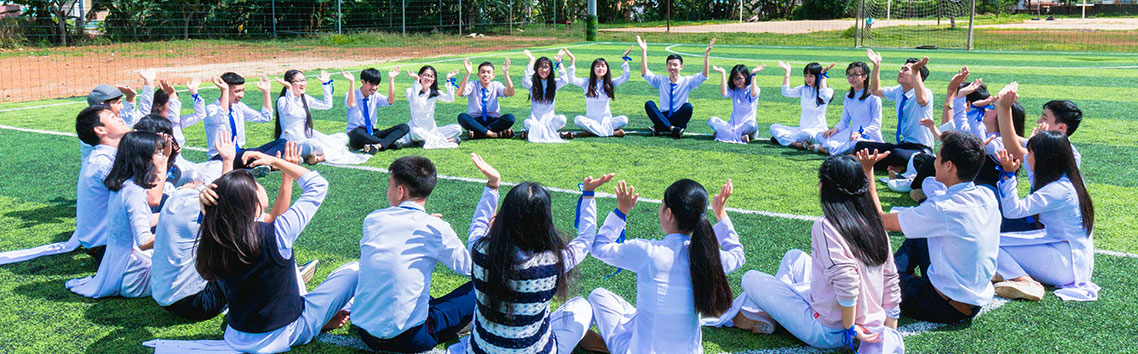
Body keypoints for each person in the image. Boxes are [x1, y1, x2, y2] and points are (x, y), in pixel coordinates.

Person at [733, 155, 904, 353]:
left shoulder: (825, 226)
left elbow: (847, 282)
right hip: (858, 320)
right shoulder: (875, 224)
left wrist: (850, 329)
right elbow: (890, 280)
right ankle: (772, 315)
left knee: (750, 278)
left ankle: (770, 315)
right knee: (794, 257)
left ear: (827, 187)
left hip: (828, 330)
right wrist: (890, 332)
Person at [447, 154, 611, 354]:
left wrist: (493, 184)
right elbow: (585, 239)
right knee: (582, 306)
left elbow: (479, 224)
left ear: (505, 215)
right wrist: (588, 195)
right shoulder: (554, 261)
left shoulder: (480, 251)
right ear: (544, 221)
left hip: (480, 351)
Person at [195, 152, 355, 353]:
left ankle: (316, 314)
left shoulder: (215, 234)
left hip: (236, 334)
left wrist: (205, 199)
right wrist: (277, 162)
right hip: (286, 333)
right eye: (256, 185)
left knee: (285, 260)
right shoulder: (278, 232)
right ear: (252, 203)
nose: (261, 186)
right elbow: (318, 185)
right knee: (355, 270)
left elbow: (219, 214)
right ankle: (335, 319)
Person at [586, 178, 744, 353]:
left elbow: (598, 247)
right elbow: (738, 254)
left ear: (669, 213)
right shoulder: (708, 258)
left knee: (598, 296)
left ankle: (606, 345)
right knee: (638, 316)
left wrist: (621, 211)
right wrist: (721, 213)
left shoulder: (648, 251)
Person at [857, 131, 1000, 324]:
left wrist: (868, 170)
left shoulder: (943, 209)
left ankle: (888, 277)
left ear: (949, 166)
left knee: (869, 281)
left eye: (938, 157)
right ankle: (894, 274)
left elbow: (880, 220)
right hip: (971, 298)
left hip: (944, 304)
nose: (933, 161)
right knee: (919, 234)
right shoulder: (987, 195)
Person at [354, 156, 474, 353]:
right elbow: (471, 269)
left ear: (400, 191)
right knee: (479, 286)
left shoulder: (373, 219)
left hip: (366, 333)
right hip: (411, 339)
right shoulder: (435, 228)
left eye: (389, 186)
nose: (387, 191)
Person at [0, 105, 129, 265]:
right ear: (100, 130)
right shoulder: (104, 163)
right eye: (112, 117)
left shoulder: (106, 157)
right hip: (112, 249)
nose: (120, 118)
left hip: (110, 243)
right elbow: (148, 200)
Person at [992, 131, 1098, 302]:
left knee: (990, 244)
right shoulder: (1068, 180)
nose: (1027, 157)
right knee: (997, 240)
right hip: (1071, 259)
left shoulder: (1057, 190)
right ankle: (1001, 272)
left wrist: (1009, 176)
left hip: (1064, 265)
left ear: (1044, 158)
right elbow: (1037, 177)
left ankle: (1024, 281)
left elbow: (1013, 210)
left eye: (1031, 153)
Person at [67, 131, 173, 299]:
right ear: (143, 158)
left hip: (119, 266)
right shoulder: (135, 193)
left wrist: (175, 214)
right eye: (159, 153)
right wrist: (176, 234)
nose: (162, 157)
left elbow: (144, 221)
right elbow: (144, 241)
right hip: (133, 276)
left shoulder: (125, 185)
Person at [853, 50, 935, 172]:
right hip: (904, 145)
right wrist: (876, 66)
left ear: (917, 76)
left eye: (906, 70)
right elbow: (875, 91)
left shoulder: (925, 93)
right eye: (901, 68)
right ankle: (895, 166)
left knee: (897, 154)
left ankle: (870, 162)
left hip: (921, 149)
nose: (900, 71)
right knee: (861, 145)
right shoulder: (899, 90)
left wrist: (916, 70)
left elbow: (922, 100)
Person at [204, 73, 290, 169]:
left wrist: (266, 92)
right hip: (221, 157)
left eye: (242, 90)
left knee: (283, 142)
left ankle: (265, 163)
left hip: (241, 153)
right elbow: (221, 117)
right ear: (225, 90)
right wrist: (224, 90)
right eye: (237, 91)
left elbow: (265, 117)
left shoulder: (238, 107)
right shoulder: (211, 109)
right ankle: (270, 162)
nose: (241, 95)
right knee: (251, 156)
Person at [637, 35, 714, 139]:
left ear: (681, 67)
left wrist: (707, 55)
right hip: (663, 115)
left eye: (675, 65)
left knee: (688, 107)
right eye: (669, 64)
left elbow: (704, 75)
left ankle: (660, 127)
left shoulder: (687, 81)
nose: (672, 67)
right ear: (666, 66)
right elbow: (645, 73)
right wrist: (643, 51)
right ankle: (672, 129)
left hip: (678, 116)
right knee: (649, 104)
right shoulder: (661, 80)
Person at [814, 62, 883, 155]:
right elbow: (844, 120)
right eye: (849, 75)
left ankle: (828, 150)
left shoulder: (874, 97)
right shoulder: (848, 97)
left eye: (855, 75)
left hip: (867, 136)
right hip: (851, 133)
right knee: (821, 136)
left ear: (865, 76)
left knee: (858, 143)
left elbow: (876, 124)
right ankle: (845, 151)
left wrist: (860, 132)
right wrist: (835, 129)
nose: (851, 78)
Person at [567, 47, 635, 138]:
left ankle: (592, 132)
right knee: (577, 120)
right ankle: (613, 133)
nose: (600, 68)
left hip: (607, 121)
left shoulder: (610, 83)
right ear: (593, 69)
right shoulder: (586, 82)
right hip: (590, 121)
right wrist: (572, 60)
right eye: (598, 66)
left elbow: (625, 77)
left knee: (624, 119)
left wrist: (624, 59)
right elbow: (572, 79)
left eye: (603, 66)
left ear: (607, 69)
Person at [770, 62, 835, 150]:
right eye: (806, 75)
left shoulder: (828, 90)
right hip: (802, 129)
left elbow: (824, 96)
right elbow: (786, 92)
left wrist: (822, 76)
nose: (808, 79)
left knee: (805, 134)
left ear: (817, 76)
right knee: (774, 127)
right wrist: (787, 72)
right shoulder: (803, 89)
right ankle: (796, 144)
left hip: (817, 132)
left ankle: (785, 140)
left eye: (811, 76)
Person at [346, 67, 410, 153]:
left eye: (377, 84)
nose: (374, 88)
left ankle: (378, 145)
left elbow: (390, 101)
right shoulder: (351, 94)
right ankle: (389, 143)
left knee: (404, 127)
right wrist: (352, 82)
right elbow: (351, 104)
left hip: (372, 132)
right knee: (357, 132)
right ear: (363, 82)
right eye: (371, 84)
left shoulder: (375, 95)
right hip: (357, 136)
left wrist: (391, 79)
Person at [399, 65, 463, 149]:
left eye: (432, 76)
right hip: (417, 129)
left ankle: (426, 141)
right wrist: (416, 81)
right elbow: (415, 101)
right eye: (426, 75)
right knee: (415, 132)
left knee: (457, 129)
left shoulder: (434, 93)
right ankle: (446, 140)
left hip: (432, 130)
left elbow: (450, 99)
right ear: (420, 75)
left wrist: (448, 80)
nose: (429, 78)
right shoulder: (410, 91)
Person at [519, 49, 574, 142]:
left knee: (562, 120)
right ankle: (557, 134)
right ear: (536, 69)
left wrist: (559, 62)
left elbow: (565, 80)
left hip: (550, 121)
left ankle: (534, 132)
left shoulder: (554, 83)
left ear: (550, 69)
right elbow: (525, 81)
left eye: (546, 67)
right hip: (535, 121)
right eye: (541, 67)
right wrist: (531, 60)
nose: (544, 70)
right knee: (527, 123)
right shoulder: (532, 84)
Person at [456, 59, 517, 139]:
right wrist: (467, 73)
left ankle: (479, 133)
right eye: (483, 72)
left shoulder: (496, 85)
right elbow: (460, 93)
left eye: (489, 72)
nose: (486, 74)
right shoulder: (473, 84)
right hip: (475, 121)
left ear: (493, 75)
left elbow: (510, 93)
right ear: (478, 75)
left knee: (510, 118)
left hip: (493, 121)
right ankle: (493, 134)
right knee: (462, 117)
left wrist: (506, 73)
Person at [707, 63, 764, 144]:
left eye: (739, 79)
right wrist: (723, 73)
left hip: (747, 125)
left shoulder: (753, 89)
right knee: (711, 120)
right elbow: (724, 93)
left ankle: (723, 135)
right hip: (732, 126)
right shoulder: (734, 90)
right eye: (735, 79)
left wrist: (754, 74)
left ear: (746, 77)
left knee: (752, 125)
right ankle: (740, 137)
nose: (737, 82)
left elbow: (753, 95)